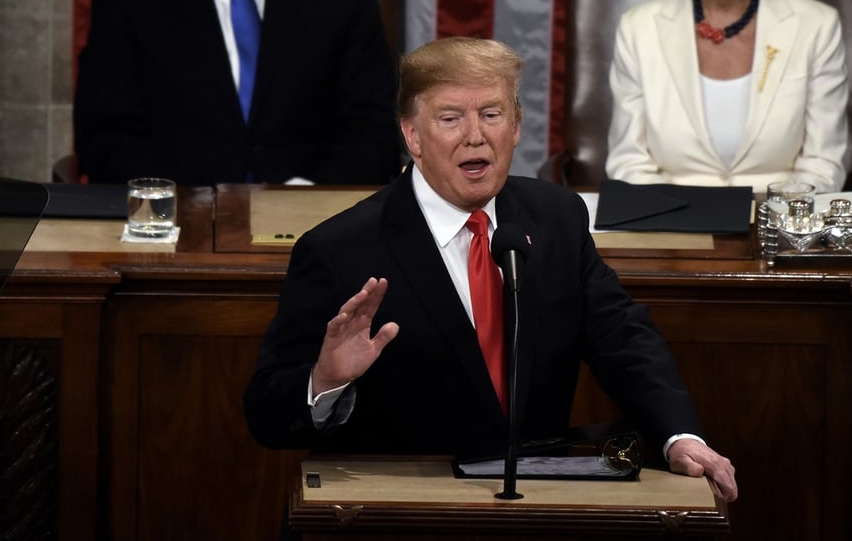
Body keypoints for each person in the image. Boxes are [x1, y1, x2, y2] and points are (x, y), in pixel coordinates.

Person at [243, 36, 738, 502]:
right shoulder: (338, 249)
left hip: (536, 505)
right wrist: (324, 381)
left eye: (492, 114)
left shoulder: (557, 218)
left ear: (517, 126)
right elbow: (265, 414)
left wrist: (679, 435)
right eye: (451, 118)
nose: (475, 136)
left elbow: (621, 337)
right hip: (406, 513)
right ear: (412, 135)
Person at [73, 0, 401, 186]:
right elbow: (105, 131)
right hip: (175, 235)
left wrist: (305, 196)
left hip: (317, 234)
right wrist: (178, 201)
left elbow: (373, 125)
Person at [606, 0, 848, 193]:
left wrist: (772, 218)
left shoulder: (816, 25)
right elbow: (629, 163)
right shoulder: (638, 28)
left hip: (777, 218)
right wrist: (679, 217)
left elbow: (822, 165)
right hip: (670, 220)